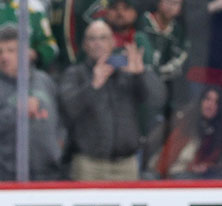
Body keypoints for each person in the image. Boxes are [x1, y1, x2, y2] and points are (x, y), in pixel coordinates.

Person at [59, 19, 161, 181]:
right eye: (92, 39)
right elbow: (67, 110)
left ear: (113, 42)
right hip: (88, 165)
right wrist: (93, 85)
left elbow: (157, 100)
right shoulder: (75, 74)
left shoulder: (128, 72)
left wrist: (141, 74)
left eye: (103, 38)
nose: (97, 43)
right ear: (85, 45)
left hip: (126, 164)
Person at [0, 23, 65, 180]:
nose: (4, 57)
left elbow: (61, 120)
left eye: (11, 51)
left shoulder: (44, 80)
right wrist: (17, 111)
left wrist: (58, 148)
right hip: (5, 176)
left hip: (48, 173)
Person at [150, 84, 222, 178]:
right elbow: (165, 156)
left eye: (216, 102)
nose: (210, 105)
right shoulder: (184, 122)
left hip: (200, 176)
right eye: (207, 99)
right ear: (201, 101)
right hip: (171, 173)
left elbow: (219, 162)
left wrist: (205, 166)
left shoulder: (221, 132)